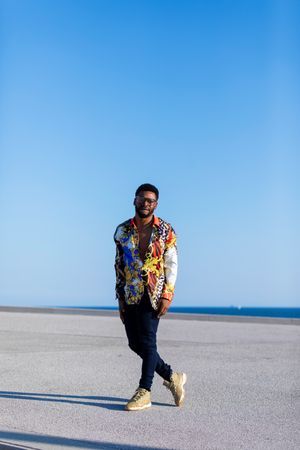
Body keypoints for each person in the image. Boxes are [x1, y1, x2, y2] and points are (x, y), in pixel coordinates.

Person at [114, 183, 187, 411]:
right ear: (134, 200)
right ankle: (172, 377)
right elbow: (119, 265)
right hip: (131, 293)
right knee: (135, 344)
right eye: (142, 199)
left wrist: (168, 294)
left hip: (154, 293)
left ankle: (144, 391)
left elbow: (172, 264)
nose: (146, 204)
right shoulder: (122, 231)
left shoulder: (166, 230)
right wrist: (120, 298)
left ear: (156, 204)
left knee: (148, 341)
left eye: (151, 201)